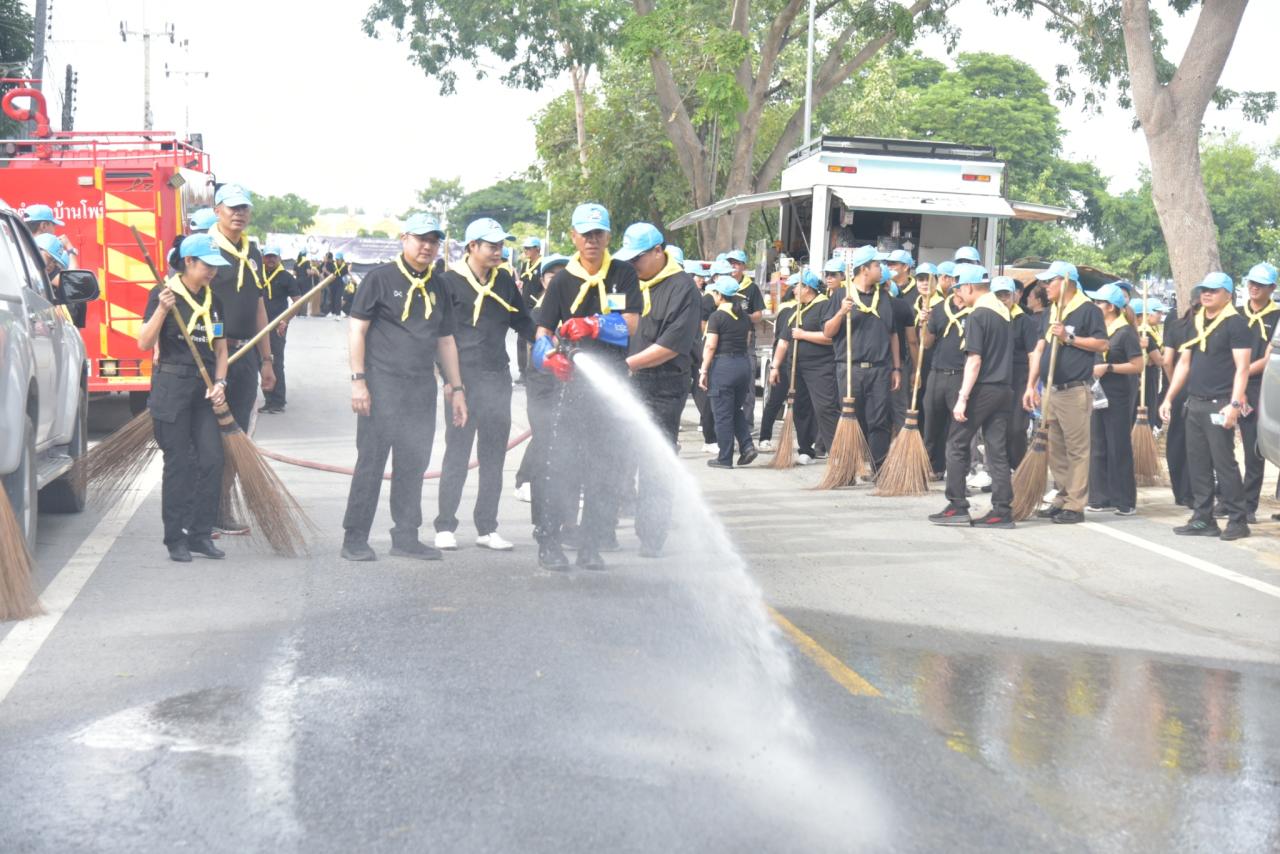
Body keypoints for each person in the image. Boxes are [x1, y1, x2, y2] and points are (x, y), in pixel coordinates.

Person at [341, 215, 468, 561]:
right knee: (371, 462)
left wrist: (456, 389)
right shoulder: (379, 279)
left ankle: (406, 535)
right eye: (420, 239)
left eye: (434, 240)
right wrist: (358, 381)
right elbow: (357, 331)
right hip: (381, 385)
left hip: (420, 388)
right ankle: (354, 537)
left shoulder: (439, 285)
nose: (427, 246)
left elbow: (445, 340)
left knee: (413, 462)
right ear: (404, 239)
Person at [530, 203, 640, 572]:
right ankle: (548, 543)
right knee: (560, 468)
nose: (592, 240)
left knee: (603, 471)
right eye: (585, 234)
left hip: (610, 388)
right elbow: (542, 333)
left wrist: (594, 325)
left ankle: (591, 545)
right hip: (570, 390)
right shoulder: (562, 281)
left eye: (598, 234)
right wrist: (549, 358)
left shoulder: (623, 274)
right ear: (574, 236)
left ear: (608, 236)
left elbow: (631, 325)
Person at [433, 217, 534, 553]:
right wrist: (449, 381)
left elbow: (522, 321)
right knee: (457, 453)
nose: (498, 252)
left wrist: (549, 341)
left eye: (501, 246)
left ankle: (487, 527)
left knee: (493, 457)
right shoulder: (447, 282)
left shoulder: (504, 280)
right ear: (472, 247)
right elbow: (438, 334)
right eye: (492, 246)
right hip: (462, 382)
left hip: (496, 378)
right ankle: (445, 525)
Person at [136, 234, 229, 562]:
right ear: (188, 261)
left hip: (204, 391)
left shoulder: (213, 301)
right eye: (207, 265)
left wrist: (221, 381)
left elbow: (220, 347)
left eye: (216, 267)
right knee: (180, 465)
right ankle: (175, 537)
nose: (212, 272)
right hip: (171, 389)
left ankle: (200, 534)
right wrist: (162, 310)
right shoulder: (163, 294)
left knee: (212, 460)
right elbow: (144, 343)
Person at [618, 223, 700, 555]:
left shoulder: (683, 289)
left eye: (637, 259)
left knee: (655, 458)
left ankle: (651, 536)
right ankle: (601, 529)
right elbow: (615, 321)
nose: (632, 265)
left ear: (657, 251)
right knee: (616, 453)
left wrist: (627, 365)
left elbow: (672, 345)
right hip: (626, 379)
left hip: (664, 384)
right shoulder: (628, 282)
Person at [1159, 272, 1251, 539]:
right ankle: (1203, 518)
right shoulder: (1195, 322)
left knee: (1224, 464)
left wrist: (1234, 404)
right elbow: (1183, 363)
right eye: (1204, 290)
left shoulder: (1235, 324)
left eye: (1213, 290)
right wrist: (1169, 398)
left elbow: (1242, 368)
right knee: (1197, 463)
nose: (1206, 294)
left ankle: (1238, 519)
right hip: (1194, 404)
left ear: (1228, 295)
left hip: (1220, 404)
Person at [207, 184, 275, 534]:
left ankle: (221, 509)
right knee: (205, 436)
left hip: (247, 353)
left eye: (244, 208)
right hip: (210, 355)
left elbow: (258, 304)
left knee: (235, 436)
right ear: (217, 209)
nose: (239, 214)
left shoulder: (253, 251)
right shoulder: (201, 249)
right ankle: (197, 513)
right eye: (232, 207)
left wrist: (267, 359)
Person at [1022, 261, 1108, 525]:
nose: (1045, 287)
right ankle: (1061, 497)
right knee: (1055, 448)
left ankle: (1075, 504)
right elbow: (1039, 349)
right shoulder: (1051, 312)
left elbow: (1102, 343)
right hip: (1051, 390)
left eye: (1050, 281)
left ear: (1066, 281)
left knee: (1077, 450)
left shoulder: (1087, 310)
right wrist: (1030, 385)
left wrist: (1070, 339)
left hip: (1074, 390)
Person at [929, 264, 1014, 528]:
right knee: (996, 451)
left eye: (959, 289)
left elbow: (974, 359)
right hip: (1004, 389)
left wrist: (963, 396)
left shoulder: (978, 315)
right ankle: (1002, 510)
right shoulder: (1003, 312)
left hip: (983, 388)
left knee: (956, 444)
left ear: (968, 287)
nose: (958, 295)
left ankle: (957, 505)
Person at [822, 245, 901, 471]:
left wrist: (896, 368)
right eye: (877, 265)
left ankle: (879, 468)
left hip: (879, 369)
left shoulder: (884, 297)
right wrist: (840, 313)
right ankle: (848, 468)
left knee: (879, 420)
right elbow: (828, 332)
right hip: (849, 368)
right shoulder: (841, 294)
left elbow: (893, 334)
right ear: (864, 269)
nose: (881, 269)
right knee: (850, 419)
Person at [514, 254, 569, 503]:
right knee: (544, 433)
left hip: (566, 384)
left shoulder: (573, 309)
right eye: (552, 275)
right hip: (542, 384)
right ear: (543, 280)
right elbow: (544, 345)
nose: (558, 280)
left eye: (563, 275)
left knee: (560, 436)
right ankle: (525, 480)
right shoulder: (538, 312)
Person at [1085, 283, 1143, 515]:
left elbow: (1137, 365)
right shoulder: (1098, 330)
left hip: (1118, 394)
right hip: (1097, 392)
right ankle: (1099, 497)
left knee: (1118, 445)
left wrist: (1108, 367)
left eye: (1099, 302)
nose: (1095, 305)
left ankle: (1124, 500)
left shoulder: (1126, 332)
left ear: (1110, 307)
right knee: (1098, 443)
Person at [1227, 263, 1278, 523]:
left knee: (1253, 448)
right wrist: (1236, 384)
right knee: (1222, 447)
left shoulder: (1277, 317)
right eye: (1251, 283)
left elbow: (1269, 357)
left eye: (1260, 284)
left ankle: (1248, 505)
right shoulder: (1235, 314)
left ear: (1273, 288)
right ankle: (1227, 499)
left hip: (1260, 386)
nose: (1254, 288)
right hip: (1230, 384)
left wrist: (1243, 381)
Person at [780, 267, 838, 464]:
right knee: (800, 406)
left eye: (797, 286)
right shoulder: (796, 308)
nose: (793, 291)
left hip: (820, 366)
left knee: (824, 408)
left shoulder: (824, 306)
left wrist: (804, 335)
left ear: (808, 288)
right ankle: (806, 448)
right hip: (797, 366)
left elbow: (830, 338)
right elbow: (785, 340)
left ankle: (836, 452)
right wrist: (775, 366)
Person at [700, 276, 757, 469]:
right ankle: (747, 446)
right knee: (734, 409)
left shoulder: (717, 317)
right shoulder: (744, 317)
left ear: (719, 295)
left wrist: (703, 370)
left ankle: (724, 458)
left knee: (722, 414)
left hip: (723, 367)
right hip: (743, 365)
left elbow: (710, 346)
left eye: (715, 292)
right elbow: (747, 341)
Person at [923, 263, 971, 478]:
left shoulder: (976, 311)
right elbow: (926, 343)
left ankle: (958, 472)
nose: (957, 287)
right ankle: (933, 466)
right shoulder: (939, 309)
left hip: (961, 374)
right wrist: (924, 323)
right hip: (937, 372)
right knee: (932, 421)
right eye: (955, 281)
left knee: (959, 426)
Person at [992, 276, 1038, 469]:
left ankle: (1018, 468)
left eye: (1006, 294)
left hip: (1019, 378)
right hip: (994, 377)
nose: (1003, 298)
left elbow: (1033, 354)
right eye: (999, 295)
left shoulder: (1025, 321)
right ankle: (997, 471)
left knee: (1017, 427)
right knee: (996, 428)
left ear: (1014, 296)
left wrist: (1032, 385)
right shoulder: (987, 317)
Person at [725, 249, 765, 430]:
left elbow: (758, 314)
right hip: (724, 340)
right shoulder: (722, 285)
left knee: (748, 382)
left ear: (743, 267)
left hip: (746, 339)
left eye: (736, 263)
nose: (733, 266)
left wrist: (743, 318)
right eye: (730, 263)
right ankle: (725, 422)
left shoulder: (751, 288)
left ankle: (747, 423)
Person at [1160, 302, 1195, 507]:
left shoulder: (1175, 325)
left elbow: (1167, 361)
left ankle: (1180, 493)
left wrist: (1175, 384)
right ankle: (1191, 492)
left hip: (1177, 391)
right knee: (1196, 443)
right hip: (1200, 391)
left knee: (1176, 440)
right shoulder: (1203, 327)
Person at [258, 246, 299, 414]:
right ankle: (268, 399)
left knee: (276, 361)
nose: (270, 260)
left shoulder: (286, 277)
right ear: (263, 258)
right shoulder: (257, 276)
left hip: (276, 327)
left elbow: (298, 301)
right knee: (262, 362)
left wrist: (285, 320)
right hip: (259, 327)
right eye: (267, 257)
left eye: (273, 257)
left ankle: (279, 400)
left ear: (279, 258)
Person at [759, 282, 799, 452]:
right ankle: (764, 437)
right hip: (784, 361)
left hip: (796, 361)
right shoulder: (788, 310)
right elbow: (783, 339)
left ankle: (765, 438)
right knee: (775, 400)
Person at [515, 237, 544, 380]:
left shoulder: (542, 265)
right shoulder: (525, 265)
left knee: (534, 340)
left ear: (537, 249)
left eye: (529, 248)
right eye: (525, 248)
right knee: (521, 340)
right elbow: (522, 283)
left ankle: (535, 370)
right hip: (524, 306)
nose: (526, 251)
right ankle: (522, 372)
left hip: (537, 307)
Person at [22, 203, 79, 269]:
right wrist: (70, 249)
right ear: (43, 226)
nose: (54, 230)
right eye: (53, 225)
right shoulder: (46, 251)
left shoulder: (18, 246)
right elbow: (72, 277)